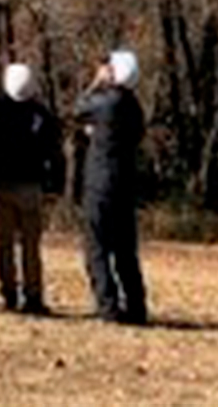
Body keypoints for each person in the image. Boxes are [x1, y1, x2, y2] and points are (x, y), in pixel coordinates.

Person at [74, 49, 148, 325]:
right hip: (125, 183)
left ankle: (108, 306)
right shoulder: (134, 106)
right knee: (125, 249)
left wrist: (96, 82)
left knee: (96, 246)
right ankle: (136, 305)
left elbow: (79, 107)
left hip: (99, 184)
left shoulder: (104, 102)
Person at [0, 62, 63, 315]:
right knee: (31, 245)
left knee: (4, 243)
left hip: (2, 185)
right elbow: (55, 153)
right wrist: (55, 186)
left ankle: (8, 291)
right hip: (32, 186)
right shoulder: (41, 115)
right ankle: (33, 295)